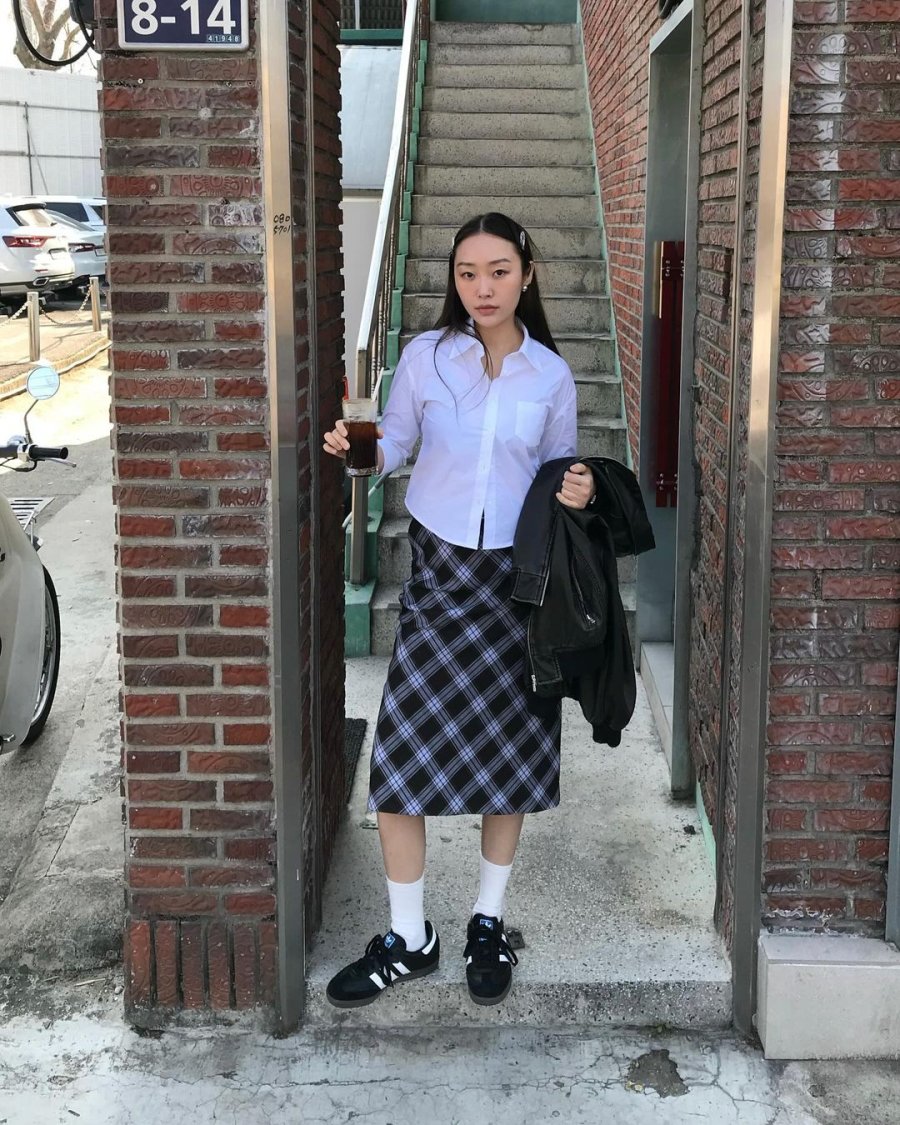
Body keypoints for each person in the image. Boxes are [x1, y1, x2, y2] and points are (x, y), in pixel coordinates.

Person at [322, 212, 595, 1009]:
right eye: (468, 272)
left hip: (520, 582)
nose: (482, 287)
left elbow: (561, 476)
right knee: (401, 757)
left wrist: (577, 489)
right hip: (440, 575)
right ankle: (409, 936)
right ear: (455, 279)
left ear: (528, 274)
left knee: (510, 753)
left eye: (499, 270)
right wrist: (359, 449)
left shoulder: (550, 376)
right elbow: (395, 445)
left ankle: (486, 918)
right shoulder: (425, 357)